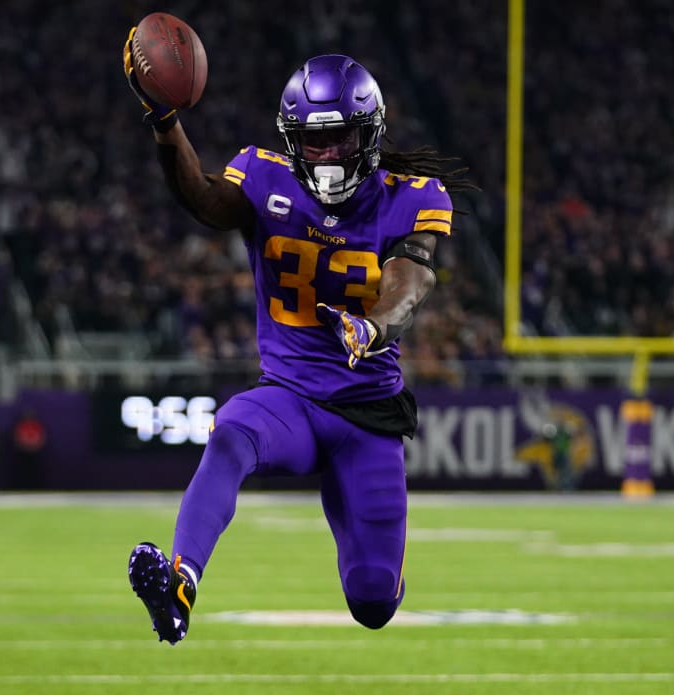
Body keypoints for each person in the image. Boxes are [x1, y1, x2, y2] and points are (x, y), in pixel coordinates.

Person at [121, 31, 474, 644]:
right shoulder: (263, 175)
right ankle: (181, 582)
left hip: (366, 417)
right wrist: (164, 122)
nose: (330, 154)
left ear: (372, 133)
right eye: (315, 140)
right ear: (292, 140)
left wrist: (374, 325)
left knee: (372, 601)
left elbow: (410, 282)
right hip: (289, 399)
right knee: (230, 431)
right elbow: (204, 199)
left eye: (341, 138)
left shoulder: (409, 197)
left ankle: (382, 581)